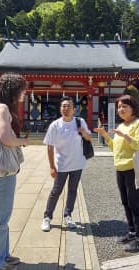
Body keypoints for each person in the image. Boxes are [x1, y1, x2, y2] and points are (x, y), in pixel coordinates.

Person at [0, 73, 29, 270]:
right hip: (3, 171)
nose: (25, 92)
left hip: (4, 170)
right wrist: (22, 141)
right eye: (22, 88)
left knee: (3, 216)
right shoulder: (3, 108)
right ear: (14, 90)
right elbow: (5, 138)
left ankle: (3, 255)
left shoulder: (0, 107)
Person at [94, 95, 139, 252]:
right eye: (119, 107)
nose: (121, 109)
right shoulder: (122, 125)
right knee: (126, 202)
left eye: (124, 106)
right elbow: (115, 148)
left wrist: (125, 136)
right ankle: (132, 232)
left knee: (135, 203)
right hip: (120, 169)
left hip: (134, 169)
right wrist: (105, 136)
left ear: (133, 108)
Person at [40, 96, 91, 232]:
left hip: (77, 163)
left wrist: (83, 132)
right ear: (60, 109)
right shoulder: (55, 125)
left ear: (74, 109)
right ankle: (47, 217)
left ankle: (68, 215)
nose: (66, 108)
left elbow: (89, 137)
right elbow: (49, 146)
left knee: (73, 191)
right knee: (56, 191)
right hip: (61, 165)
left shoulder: (80, 122)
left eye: (69, 106)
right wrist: (51, 166)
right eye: (63, 106)